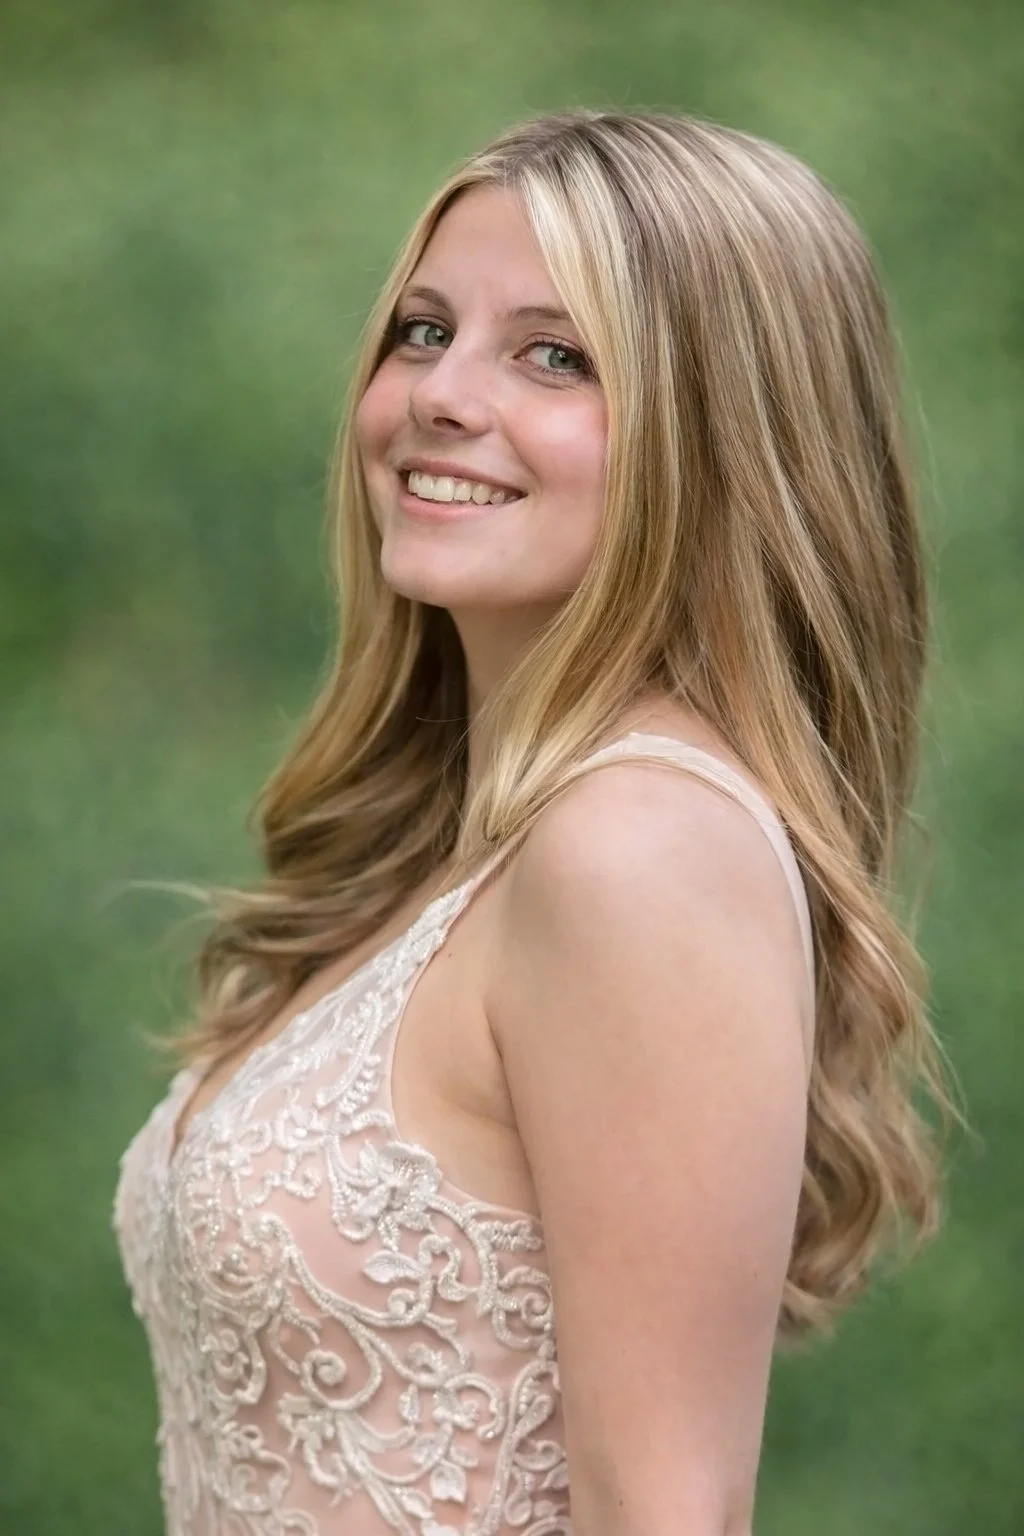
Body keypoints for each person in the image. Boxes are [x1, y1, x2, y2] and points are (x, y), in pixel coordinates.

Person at [114, 109, 951, 1535]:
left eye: (555, 357)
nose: (441, 394)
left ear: (727, 436)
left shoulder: (639, 847)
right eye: (424, 331)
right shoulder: (471, 848)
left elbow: (670, 1514)